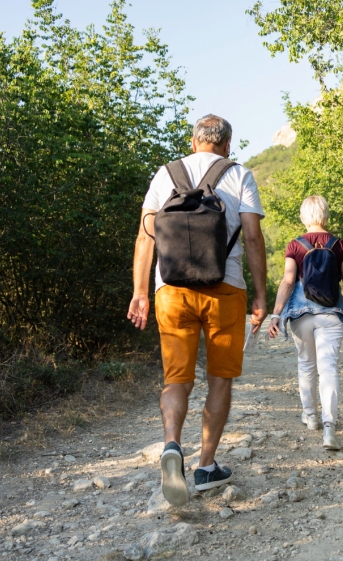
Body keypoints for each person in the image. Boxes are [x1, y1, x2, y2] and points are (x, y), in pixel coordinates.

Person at [127, 115, 267, 506]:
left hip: (171, 290)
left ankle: (173, 446)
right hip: (225, 288)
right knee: (220, 378)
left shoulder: (164, 174)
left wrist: (140, 292)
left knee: (177, 379)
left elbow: (145, 235)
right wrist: (260, 295)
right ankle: (206, 465)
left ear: (193, 142)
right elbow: (253, 237)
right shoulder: (240, 175)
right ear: (226, 144)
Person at [266, 195, 343, 450]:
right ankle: (329, 427)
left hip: (300, 315)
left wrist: (276, 314)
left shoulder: (295, 246)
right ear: (326, 215)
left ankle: (310, 416)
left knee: (306, 364)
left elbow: (288, 282)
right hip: (331, 314)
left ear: (303, 217)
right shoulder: (338, 245)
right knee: (328, 368)